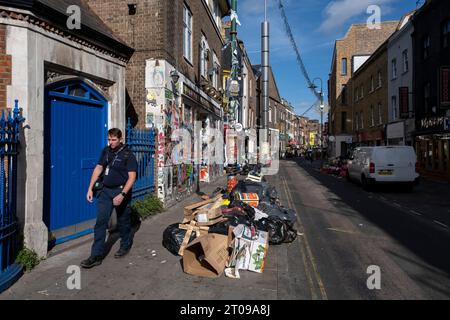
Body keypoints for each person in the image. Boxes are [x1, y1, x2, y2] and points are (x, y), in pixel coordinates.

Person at [81, 128, 138, 269]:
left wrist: (122, 194)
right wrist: (90, 188)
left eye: (114, 140)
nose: (111, 142)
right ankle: (96, 256)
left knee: (123, 221)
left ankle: (125, 244)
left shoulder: (128, 154)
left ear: (120, 139)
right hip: (105, 192)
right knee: (100, 222)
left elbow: (132, 177)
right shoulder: (106, 151)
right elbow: (98, 168)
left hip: (120, 191)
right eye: (109, 139)